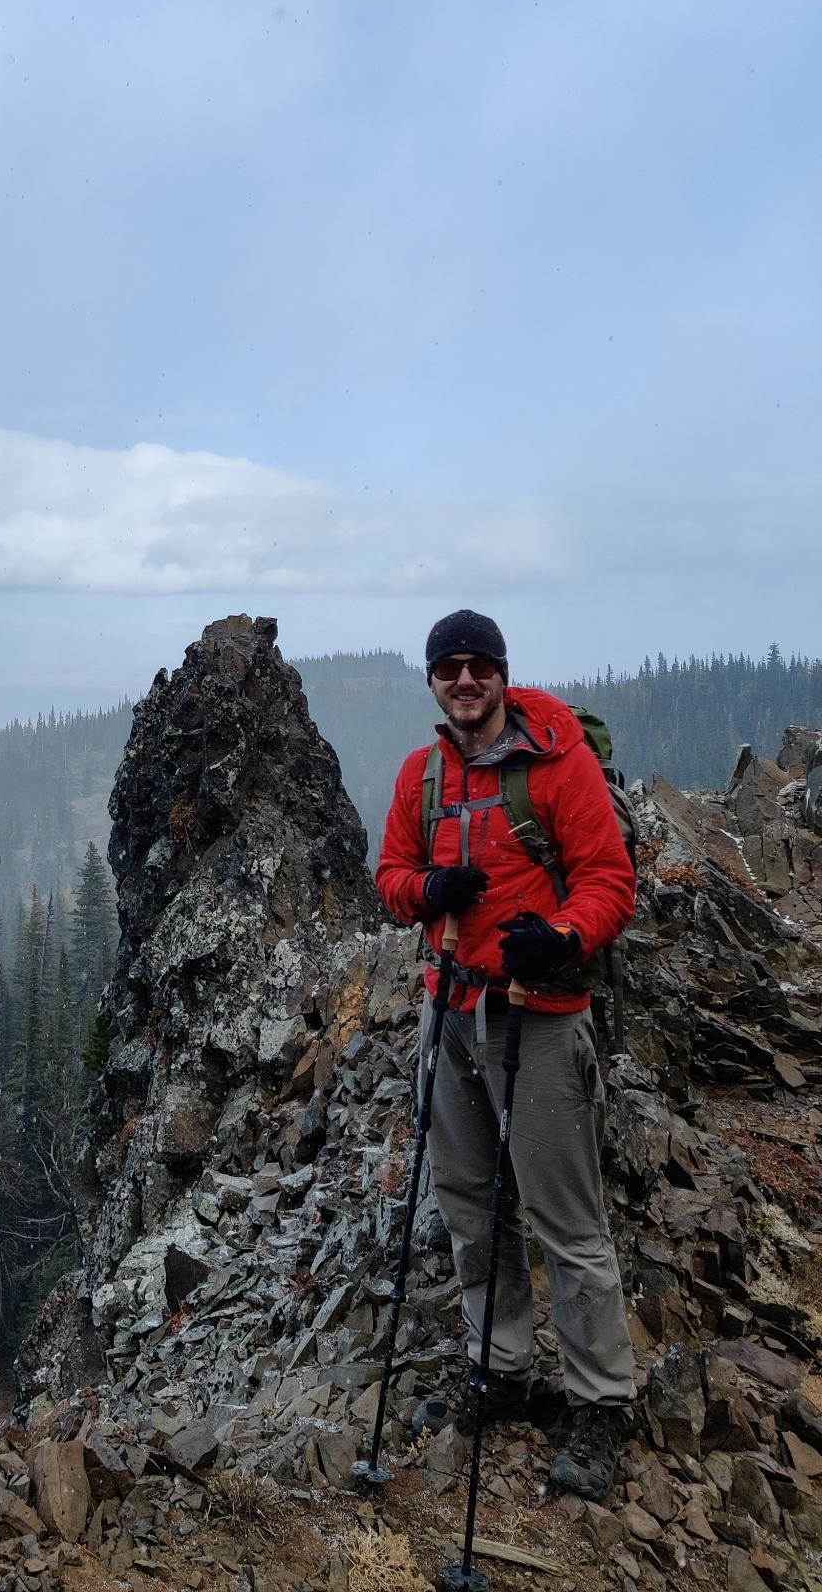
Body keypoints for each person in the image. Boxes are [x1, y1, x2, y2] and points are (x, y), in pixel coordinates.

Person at [374, 608, 637, 1504]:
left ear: (501, 673)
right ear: (432, 680)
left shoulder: (558, 763)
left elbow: (609, 881)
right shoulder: (422, 776)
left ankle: (602, 1401)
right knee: (470, 1202)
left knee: (565, 1218)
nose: (464, 679)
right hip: (450, 1009)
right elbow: (390, 877)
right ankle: (500, 1367)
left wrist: (560, 937)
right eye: (448, 667)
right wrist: (428, 890)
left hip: (540, 1014)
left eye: (478, 665)